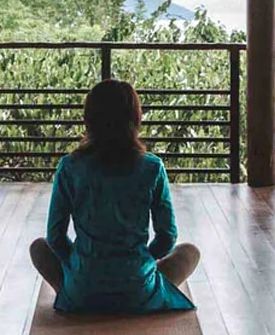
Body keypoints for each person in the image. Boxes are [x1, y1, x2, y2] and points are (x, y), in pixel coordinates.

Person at [31, 79, 200, 314]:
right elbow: (167, 236)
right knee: (190, 252)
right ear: (135, 118)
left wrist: (80, 265)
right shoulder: (151, 167)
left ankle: (72, 292)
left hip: (84, 285)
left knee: (38, 248)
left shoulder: (70, 167)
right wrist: (142, 261)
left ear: (88, 119)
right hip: (137, 289)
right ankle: (140, 288)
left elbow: (55, 237)